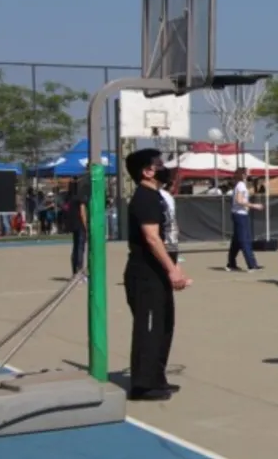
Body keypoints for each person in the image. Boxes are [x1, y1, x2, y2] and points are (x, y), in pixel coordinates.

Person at [123, 148, 190, 402]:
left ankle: (156, 377)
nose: (164, 167)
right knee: (148, 329)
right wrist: (171, 270)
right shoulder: (144, 198)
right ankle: (142, 385)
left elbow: (167, 238)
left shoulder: (158, 197)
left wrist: (176, 267)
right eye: (158, 164)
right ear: (147, 171)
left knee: (164, 326)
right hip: (145, 275)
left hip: (159, 273)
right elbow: (151, 238)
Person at [225, 168, 264, 272]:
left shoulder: (240, 185)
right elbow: (239, 200)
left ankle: (231, 264)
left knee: (236, 241)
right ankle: (251, 265)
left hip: (239, 214)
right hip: (240, 215)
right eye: (247, 173)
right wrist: (253, 205)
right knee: (245, 239)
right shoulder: (241, 185)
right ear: (243, 175)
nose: (249, 174)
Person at [68, 172, 90, 276]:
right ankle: (80, 271)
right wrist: (86, 226)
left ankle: (75, 271)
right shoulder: (81, 196)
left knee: (76, 247)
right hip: (80, 224)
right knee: (80, 248)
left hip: (73, 224)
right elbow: (82, 212)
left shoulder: (71, 197)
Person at [158, 176, 180, 264]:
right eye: (173, 186)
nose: (173, 188)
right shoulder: (164, 195)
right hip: (167, 228)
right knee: (170, 251)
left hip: (168, 227)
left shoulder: (164, 195)